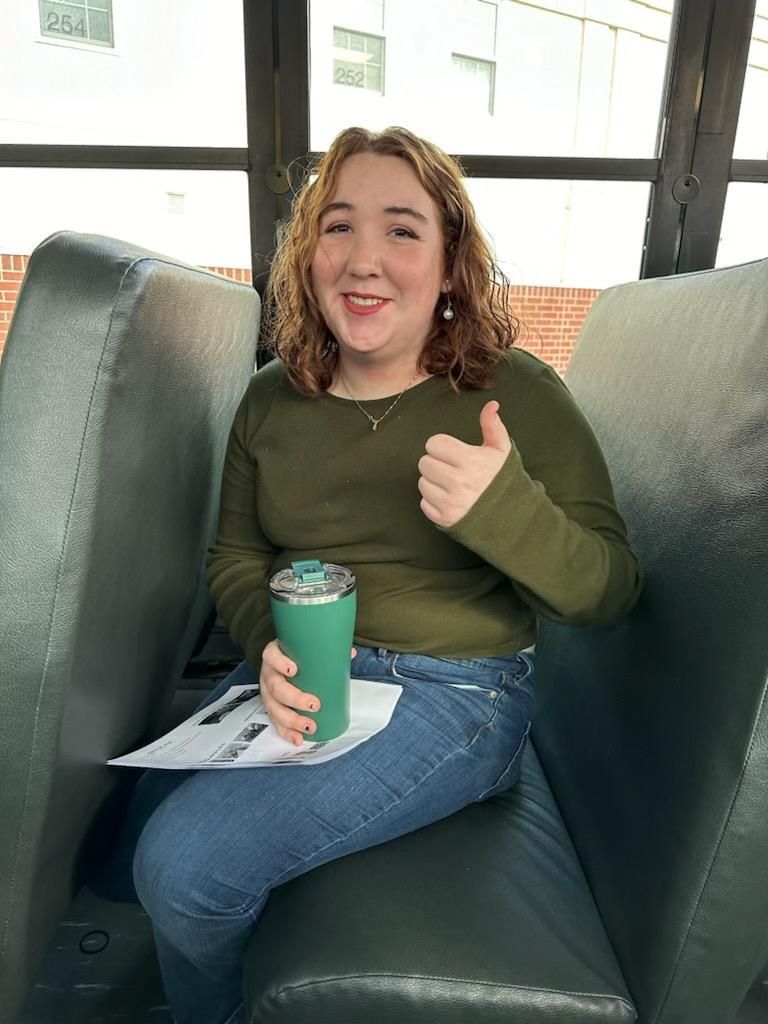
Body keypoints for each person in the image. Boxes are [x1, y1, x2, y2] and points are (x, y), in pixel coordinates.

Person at [127, 126, 643, 1024]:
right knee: (122, 834)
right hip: (304, 670)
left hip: (456, 691)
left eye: (402, 230)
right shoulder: (270, 397)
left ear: (450, 265)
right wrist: (269, 643)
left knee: (182, 871)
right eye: (339, 227)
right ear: (308, 254)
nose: (364, 259)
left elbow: (610, 590)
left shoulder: (514, 392)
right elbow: (236, 557)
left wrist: (503, 513)